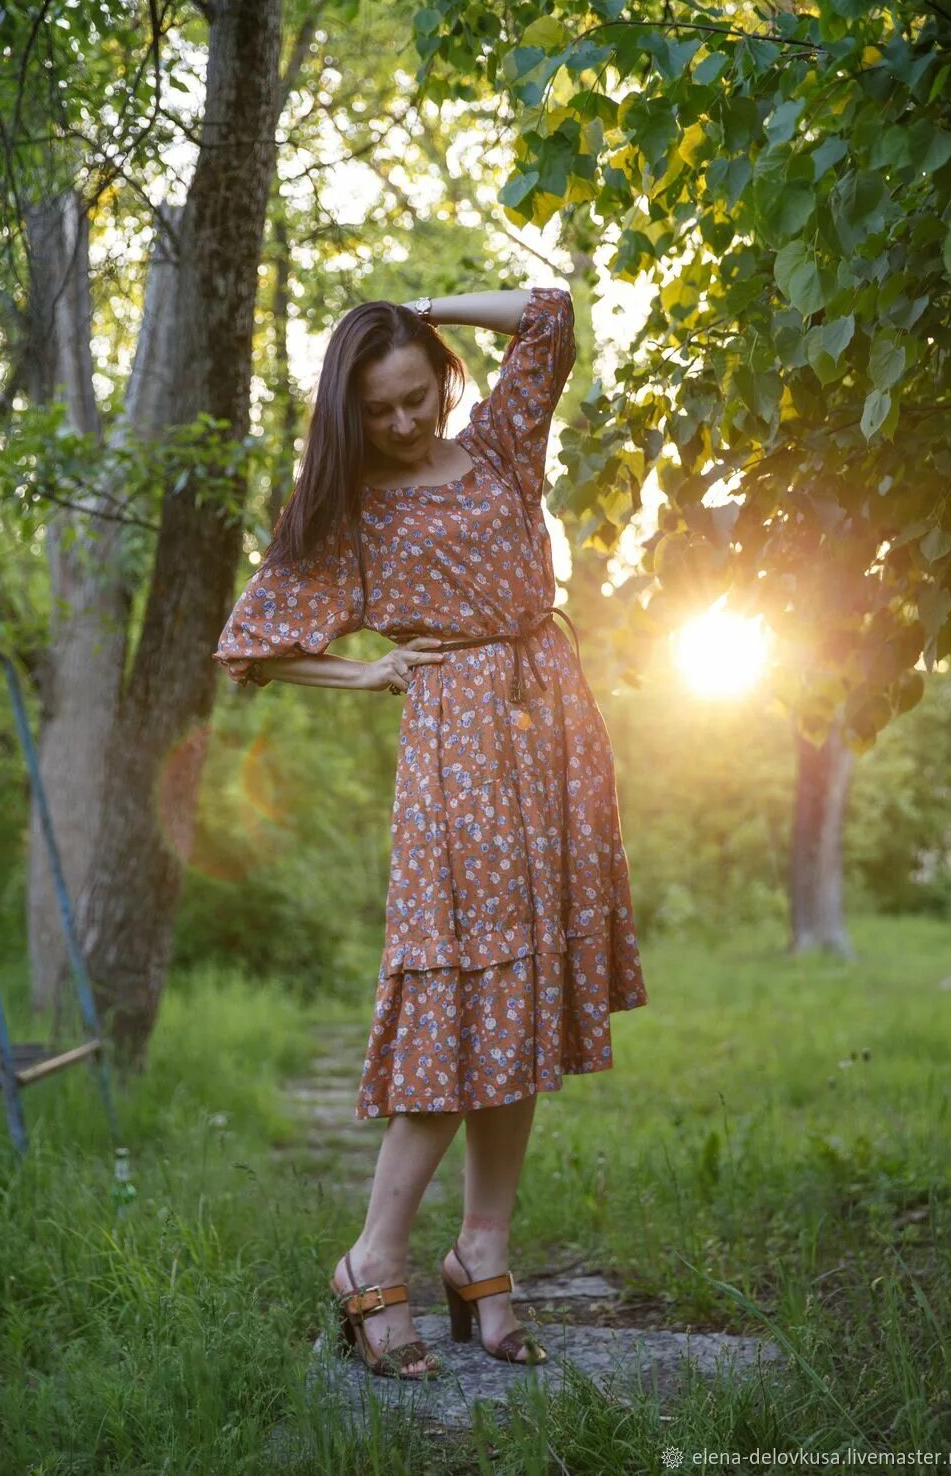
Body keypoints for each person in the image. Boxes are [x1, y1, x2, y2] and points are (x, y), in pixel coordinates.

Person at [213, 286, 649, 1379]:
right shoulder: (347, 506)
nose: (405, 424)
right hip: (453, 757)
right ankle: (371, 1260)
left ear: (443, 379)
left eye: (416, 397)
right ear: (351, 416)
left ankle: (483, 1251)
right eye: (382, 411)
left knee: (526, 1006)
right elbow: (252, 643)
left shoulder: (501, 448)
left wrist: (417, 307)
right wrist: (364, 670)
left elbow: (549, 315)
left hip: (550, 728)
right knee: (463, 1005)